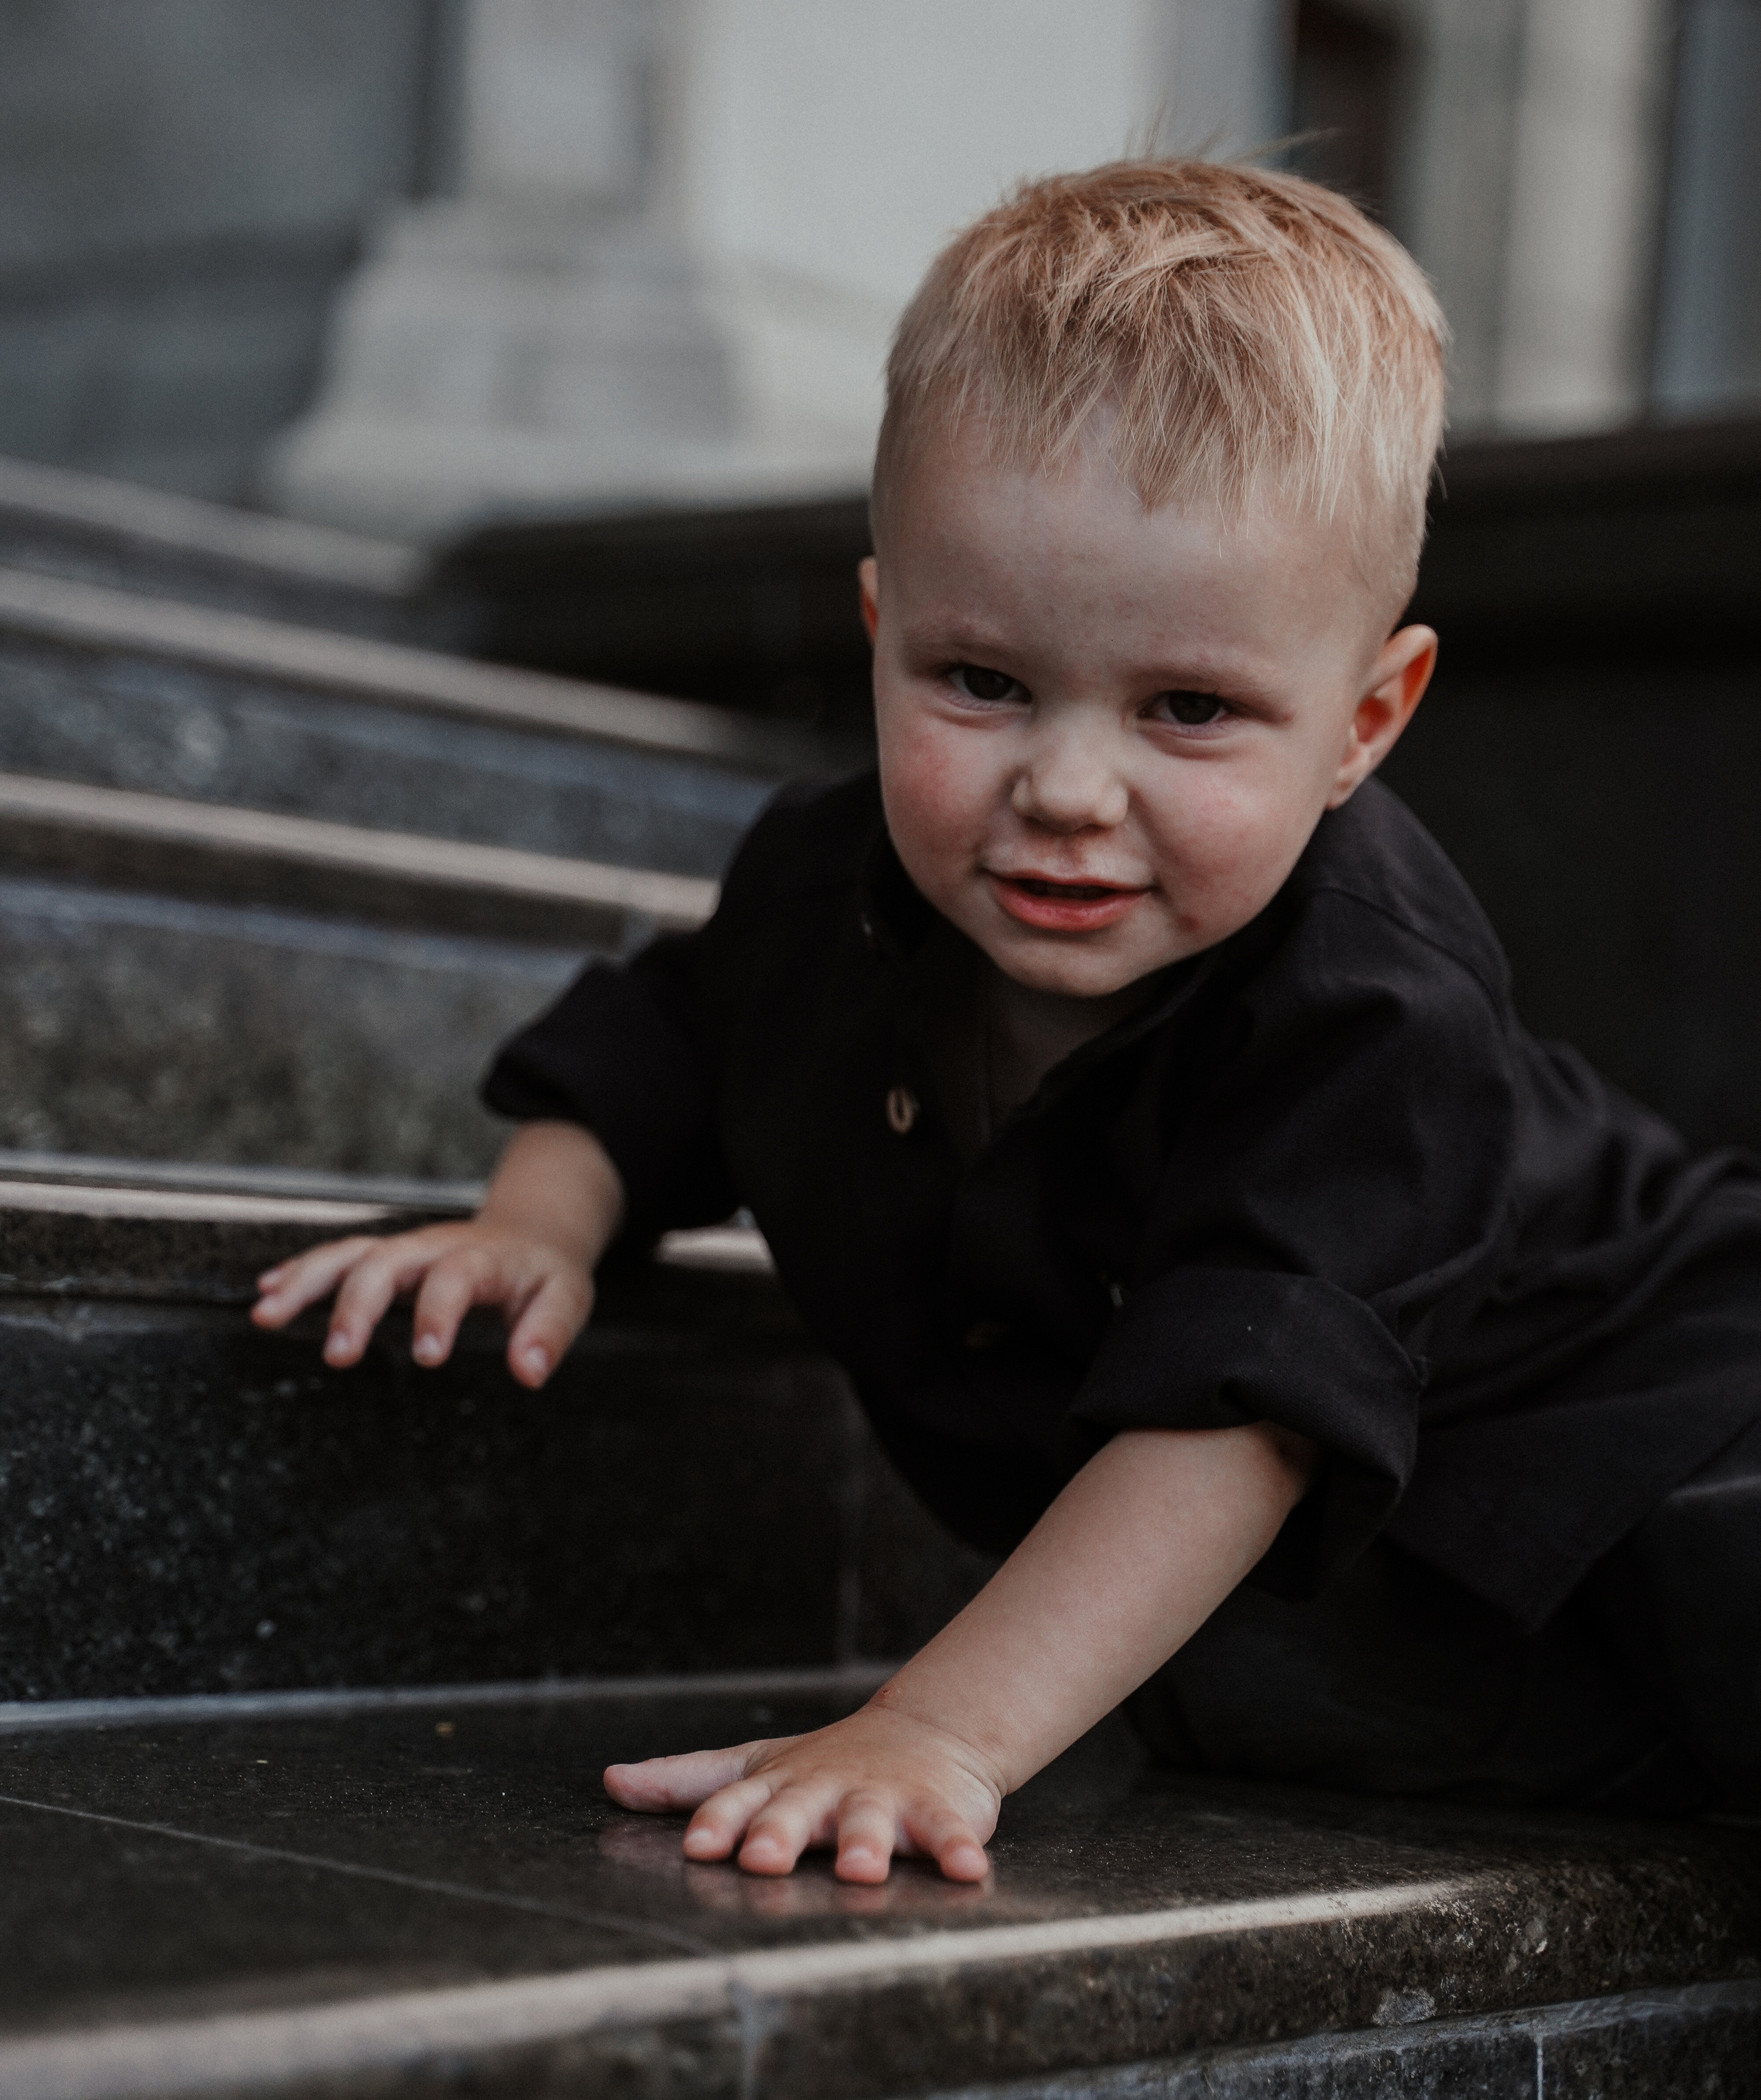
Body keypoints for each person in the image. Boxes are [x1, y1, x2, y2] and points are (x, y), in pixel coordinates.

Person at [254, 159, 1761, 1881]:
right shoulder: (829, 891)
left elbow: (1237, 1415)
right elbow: (665, 1042)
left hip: (1674, 1402)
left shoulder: (1368, 999)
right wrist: (537, 1223)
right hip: (1415, 1577)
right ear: (882, 630)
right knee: (1313, 1687)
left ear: (1363, 720)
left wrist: (939, 1730)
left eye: (1186, 709)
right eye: (980, 682)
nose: (1062, 789)